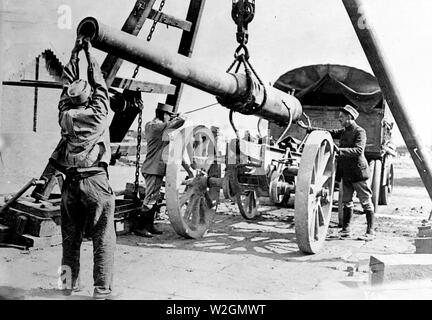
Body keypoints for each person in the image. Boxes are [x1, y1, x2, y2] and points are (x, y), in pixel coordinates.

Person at [49, 37, 116, 299]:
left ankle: (67, 286)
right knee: (103, 238)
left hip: (70, 185)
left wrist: (75, 54)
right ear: (90, 98)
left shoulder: (64, 116)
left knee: (69, 239)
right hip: (95, 182)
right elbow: (100, 84)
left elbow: (66, 88)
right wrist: (89, 54)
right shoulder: (98, 115)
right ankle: (101, 291)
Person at [306, 105, 375, 240]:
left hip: (358, 174)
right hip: (346, 173)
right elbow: (328, 132)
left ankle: (370, 232)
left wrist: (339, 151)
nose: (339, 120)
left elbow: (358, 151)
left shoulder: (360, 131)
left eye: (341, 117)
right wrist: (309, 129)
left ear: (349, 117)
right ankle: (345, 230)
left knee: (366, 202)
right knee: (346, 202)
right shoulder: (344, 131)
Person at [134, 103, 186, 237]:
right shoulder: (154, 126)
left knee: (154, 198)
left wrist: (173, 117)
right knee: (150, 198)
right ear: (164, 115)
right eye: (169, 116)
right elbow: (180, 122)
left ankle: (149, 226)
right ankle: (140, 228)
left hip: (154, 168)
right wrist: (179, 117)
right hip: (153, 169)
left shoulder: (157, 127)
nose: (170, 119)